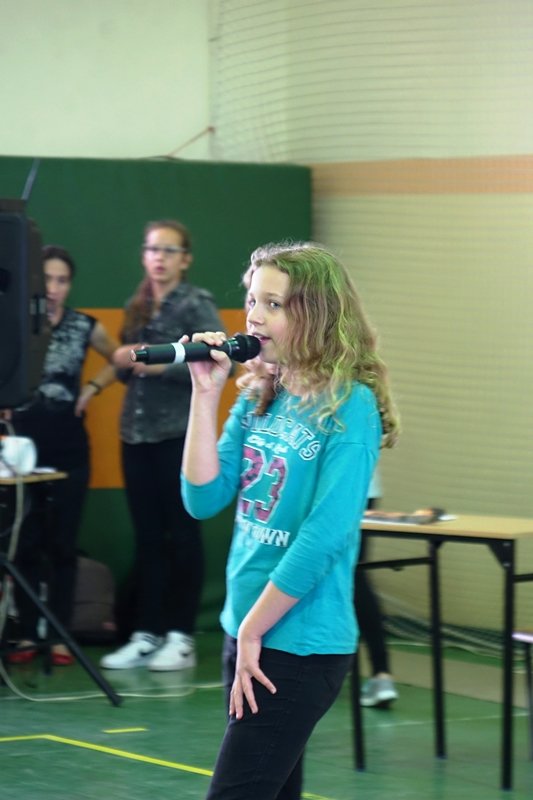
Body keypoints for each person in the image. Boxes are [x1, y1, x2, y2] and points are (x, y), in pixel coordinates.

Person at [181, 241, 399, 800]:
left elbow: (324, 536)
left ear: (315, 315)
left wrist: (254, 629)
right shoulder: (262, 392)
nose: (254, 317)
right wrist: (204, 395)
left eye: (273, 304)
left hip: (298, 644)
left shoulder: (350, 406)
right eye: (252, 300)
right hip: (244, 628)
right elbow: (202, 498)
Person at [100, 219, 226, 672]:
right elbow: (126, 369)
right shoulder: (136, 306)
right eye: (153, 249)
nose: (159, 258)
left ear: (185, 259)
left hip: (177, 436)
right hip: (135, 435)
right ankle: (146, 633)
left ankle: (181, 635)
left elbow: (220, 356)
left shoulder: (196, 303)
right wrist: (123, 361)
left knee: (183, 535)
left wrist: (162, 366)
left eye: (169, 251)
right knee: (148, 538)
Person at [8, 245, 118, 666]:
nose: (53, 288)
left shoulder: (84, 325)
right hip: (20, 450)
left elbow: (120, 359)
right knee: (24, 544)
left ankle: (57, 636)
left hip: (69, 448)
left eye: (62, 280)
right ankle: (25, 633)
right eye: (47, 279)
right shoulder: (15, 322)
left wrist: (91, 389)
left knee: (62, 545)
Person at [357, 469, 399, 708]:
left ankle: (381, 675)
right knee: (353, 576)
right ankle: (381, 674)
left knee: (352, 576)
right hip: (358, 486)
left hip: (344, 484)